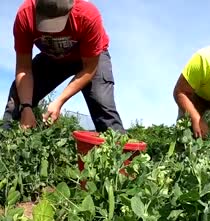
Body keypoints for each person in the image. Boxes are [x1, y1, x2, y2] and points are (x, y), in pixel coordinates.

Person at [2, 0, 125, 133]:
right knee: (17, 98)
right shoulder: (25, 15)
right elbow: (23, 69)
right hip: (52, 56)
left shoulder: (88, 15)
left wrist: (59, 101)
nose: (51, 31)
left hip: (90, 59)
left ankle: (120, 150)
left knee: (103, 106)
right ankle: (7, 144)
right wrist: (26, 106)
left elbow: (89, 69)